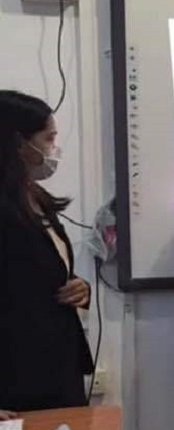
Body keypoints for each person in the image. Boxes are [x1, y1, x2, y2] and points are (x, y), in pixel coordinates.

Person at [0, 90, 94, 413]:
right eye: (49, 138)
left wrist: (80, 287)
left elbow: (40, 270)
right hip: (16, 377)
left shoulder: (35, 196)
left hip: (58, 364)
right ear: (18, 143)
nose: (55, 148)